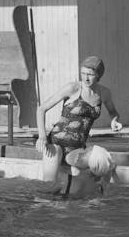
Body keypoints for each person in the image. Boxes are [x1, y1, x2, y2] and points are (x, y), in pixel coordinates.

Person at [36, 55, 123, 190]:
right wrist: (42, 137)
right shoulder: (73, 88)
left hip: (76, 148)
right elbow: (41, 109)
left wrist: (114, 121)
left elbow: (113, 112)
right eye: (83, 73)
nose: (86, 78)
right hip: (55, 143)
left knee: (105, 161)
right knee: (48, 189)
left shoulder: (104, 93)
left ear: (99, 75)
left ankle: (99, 197)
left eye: (90, 74)